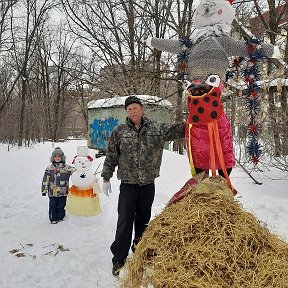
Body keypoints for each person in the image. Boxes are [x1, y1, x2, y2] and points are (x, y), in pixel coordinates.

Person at [101, 96, 185, 276]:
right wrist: (106, 177)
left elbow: (179, 129)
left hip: (148, 184)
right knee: (124, 221)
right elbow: (111, 156)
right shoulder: (119, 130)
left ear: (142, 109)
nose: (133, 111)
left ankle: (140, 249)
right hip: (128, 185)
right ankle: (119, 259)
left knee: (144, 220)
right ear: (126, 112)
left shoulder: (156, 127)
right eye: (129, 109)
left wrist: (198, 118)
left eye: (135, 108)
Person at [41, 147, 75, 224]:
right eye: (55, 156)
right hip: (52, 192)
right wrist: (44, 190)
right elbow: (45, 180)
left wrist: (83, 173)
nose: (57, 158)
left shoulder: (67, 168)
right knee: (53, 206)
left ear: (62, 157)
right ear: (53, 158)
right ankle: (53, 218)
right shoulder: (49, 168)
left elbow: (76, 172)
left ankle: (60, 218)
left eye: (59, 156)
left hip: (63, 192)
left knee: (61, 206)